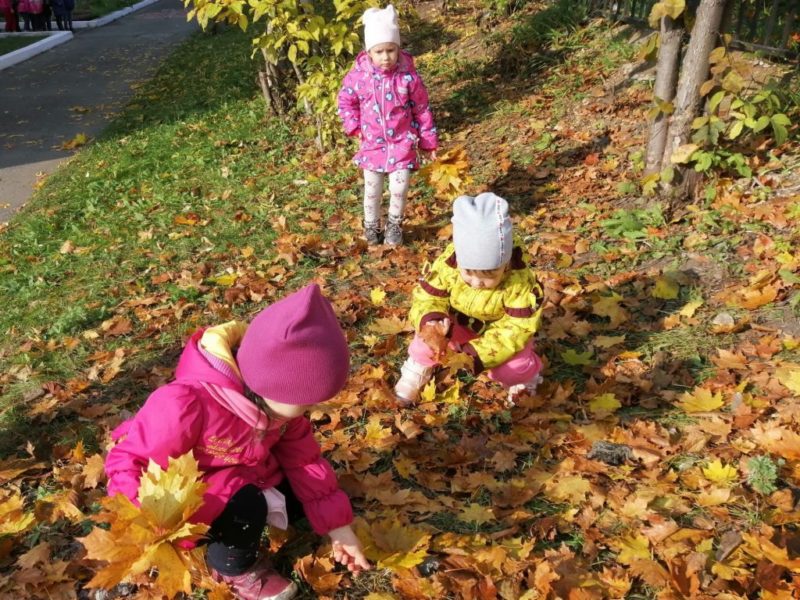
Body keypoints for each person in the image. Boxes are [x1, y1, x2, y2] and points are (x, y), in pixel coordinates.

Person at [105, 284, 370, 600]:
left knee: (297, 492)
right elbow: (130, 460)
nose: (311, 410)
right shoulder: (185, 405)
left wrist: (337, 526)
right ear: (269, 385)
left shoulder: (280, 414)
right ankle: (231, 567)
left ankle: (262, 513)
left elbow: (305, 461)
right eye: (306, 401)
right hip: (192, 495)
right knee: (247, 505)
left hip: (248, 470)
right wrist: (148, 522)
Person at [394, 193, 545, 407]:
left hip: (501, 337)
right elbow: (428, 296)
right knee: (426, 339)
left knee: (514, 368)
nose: (476, 282)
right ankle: (417, 369)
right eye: (469, 273)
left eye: (489, 276)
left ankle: (525, 380)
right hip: (458, 325)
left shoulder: (519, 283)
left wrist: (476, 353)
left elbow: (516, 328)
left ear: (507, 265)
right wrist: (434, 320)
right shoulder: (449, 264)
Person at [337, 4, 438, 247]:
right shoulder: (359, 76)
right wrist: (354, 126)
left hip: (402, 143)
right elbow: (345, 101)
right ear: (369, 52)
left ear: (398, 48)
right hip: (372, 145)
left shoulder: (407, 77)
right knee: (372, 191)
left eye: (391, 50)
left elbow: (421, 109)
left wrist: (428, 141)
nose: (386, 57)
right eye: (379, 51)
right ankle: (372, 226)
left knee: (399, 188)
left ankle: (394, 225)